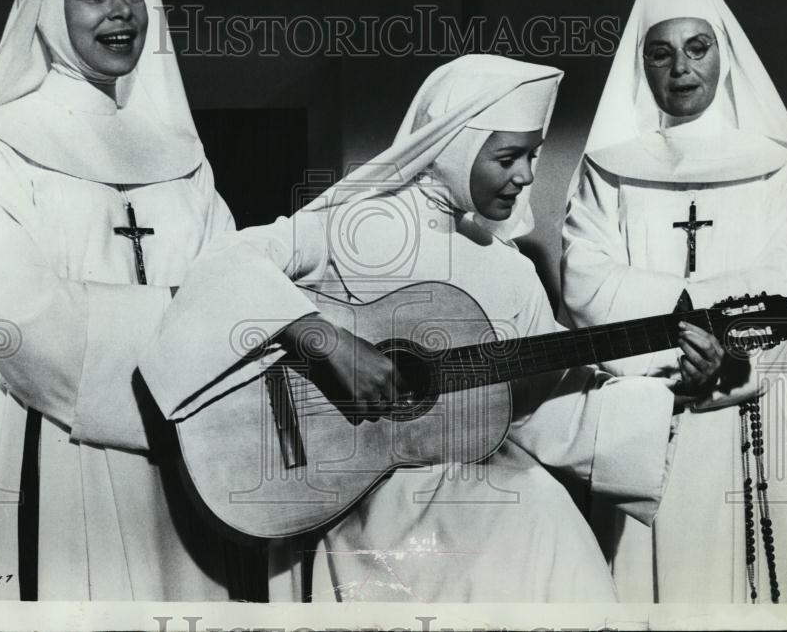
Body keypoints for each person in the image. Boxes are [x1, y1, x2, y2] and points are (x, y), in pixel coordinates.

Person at [0, 0, 392, 601]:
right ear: (48, 7)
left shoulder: (180, 156)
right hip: (64, 446)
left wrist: (285, 323)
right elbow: (17, 321)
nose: (121, 11)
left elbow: (235, 276)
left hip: (200, 459)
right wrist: (204, 328)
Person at [260, 54, 691, 602]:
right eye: (508, 157)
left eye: (533, 155)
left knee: (547, 522)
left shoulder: (510, 270)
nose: (526, 175)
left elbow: (543, 403)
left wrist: (676, 387)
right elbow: (227, 267)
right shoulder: (348, 226)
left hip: (474, 480)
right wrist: (321, 339)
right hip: (357, 485)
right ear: (453, 147)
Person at [560, 0, 787, 603]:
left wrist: (723, 349)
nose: (680, 68)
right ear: (640, 64)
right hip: (647, 408)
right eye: (661, 53)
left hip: (742, 405)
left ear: (723, 54)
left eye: (697, 48)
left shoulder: (772, 163)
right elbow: (584, 279)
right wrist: (687, 332)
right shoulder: (610, 167)